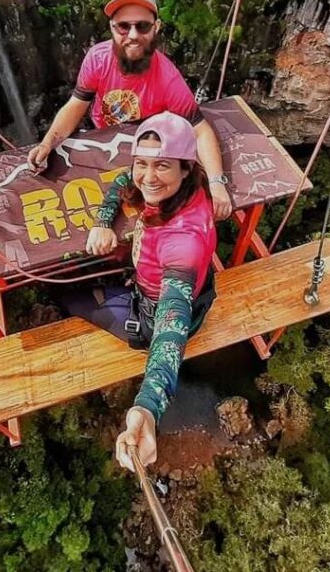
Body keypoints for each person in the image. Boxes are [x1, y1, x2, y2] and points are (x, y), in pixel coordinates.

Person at [60, 112, 218, 473]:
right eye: (141, 163)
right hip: (178, 288)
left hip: (151, 315)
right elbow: (122, 180)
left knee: (70, 295)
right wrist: (103, 221)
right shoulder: (191, 188)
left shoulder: (183, 244)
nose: (148, 176)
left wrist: (147, 406)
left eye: (162, 165)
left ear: (185, 168)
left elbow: (170, 330)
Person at [27, 0, 233, 220]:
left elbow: (200, 131)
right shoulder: (98, 59)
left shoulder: (167, 79)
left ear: (156, 27)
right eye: (123, 27)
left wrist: (217, 183)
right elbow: (76, 105)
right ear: (112, 28)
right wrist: (47, 144)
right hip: (105, 141)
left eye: (142, 26)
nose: (133, 35)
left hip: (148, 152)